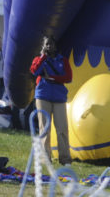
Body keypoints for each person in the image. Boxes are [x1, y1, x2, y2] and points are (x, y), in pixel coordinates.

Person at [31, 35, 72, 164]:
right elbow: (34, 71)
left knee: (62, 128)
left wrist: (54, 78)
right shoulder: (39, 59)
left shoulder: (63, 60)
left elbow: (69, 77)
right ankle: (45, 158)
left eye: (51, 44)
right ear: (43, 46)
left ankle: (65, 158)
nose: (49, 46)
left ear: (55, 46)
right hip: (43, 95)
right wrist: (43, 57)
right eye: (47, 44)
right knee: (44, 128)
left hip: (59, 97)